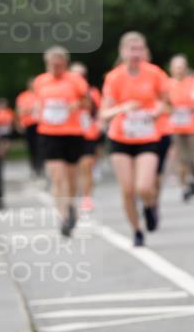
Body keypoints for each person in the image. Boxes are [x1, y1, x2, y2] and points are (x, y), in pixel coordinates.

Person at [101, 31, 169, 246]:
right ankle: (136, 230)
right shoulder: (114, 78)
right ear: (122, 52)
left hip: (147, 136)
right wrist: (124, 107)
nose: (136, 53)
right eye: (131, 49)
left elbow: (167, 103)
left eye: (139, 49)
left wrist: (157, 110)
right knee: (128, 189)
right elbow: (104, 113)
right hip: (120, 138)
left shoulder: (155, 74)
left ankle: (149, 206)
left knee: (144, 187)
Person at [33, 46, 89, 236]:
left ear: (66, 63)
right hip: (49, 133)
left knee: (72, 177)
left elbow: (88, 103)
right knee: (57, 177)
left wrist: (77, 104)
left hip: (72, 133)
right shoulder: (40, 82)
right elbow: (38, 103)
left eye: (60, 64)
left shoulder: (76, 80)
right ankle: (63, 217)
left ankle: (71, 203)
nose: (56, 67)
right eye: (52, 64)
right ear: (47, 64)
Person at [166, 54, 194, 202]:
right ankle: (184, 186)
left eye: (182, 66)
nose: (179, 70)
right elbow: (164, 103)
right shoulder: (167, 84)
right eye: (177, 67)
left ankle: (192, 177)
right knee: (180, 158)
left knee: (191, 157)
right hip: (175, 126)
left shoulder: (192, 83)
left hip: (191, 124)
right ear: (172, 69)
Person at [70, 62, 102, 212]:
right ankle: (71, 198)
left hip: (87, 133)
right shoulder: (64, 92)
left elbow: (97, 111)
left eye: (81, 75)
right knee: (73, 170)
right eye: (75, 75)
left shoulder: (92, 92)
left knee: (86, 167)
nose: (79, 78)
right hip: (68, 134)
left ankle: (87, 198)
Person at [15, 80, 42, 176]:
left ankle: (40, 166)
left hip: (39, 124)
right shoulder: (23, 96)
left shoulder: (40, 94)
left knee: (40, 145)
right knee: (31, 147)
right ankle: (34, 166)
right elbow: (20, 111)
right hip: (28, 124)